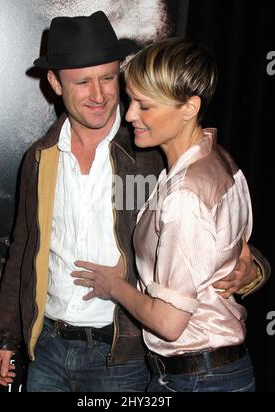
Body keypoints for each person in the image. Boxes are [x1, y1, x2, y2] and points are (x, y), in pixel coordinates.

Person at [0, 13, 268, 392]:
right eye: (82, 82)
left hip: (121, 355)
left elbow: (216, 220)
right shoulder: (41, 158)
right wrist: (5, 336)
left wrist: (254, 269)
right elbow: (23, 249)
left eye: (107, 78)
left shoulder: (151, 151)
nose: (99, 95)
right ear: (55, 83)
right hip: (49, 349)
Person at [73, 37, 268, 392]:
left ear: (189, 107)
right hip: (211, 370)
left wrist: (112, 286)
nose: (130, 114)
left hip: (198, 377)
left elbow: (168, 323)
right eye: (131, 101)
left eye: (144, 106)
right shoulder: (216, 158)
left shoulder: (185, 194)